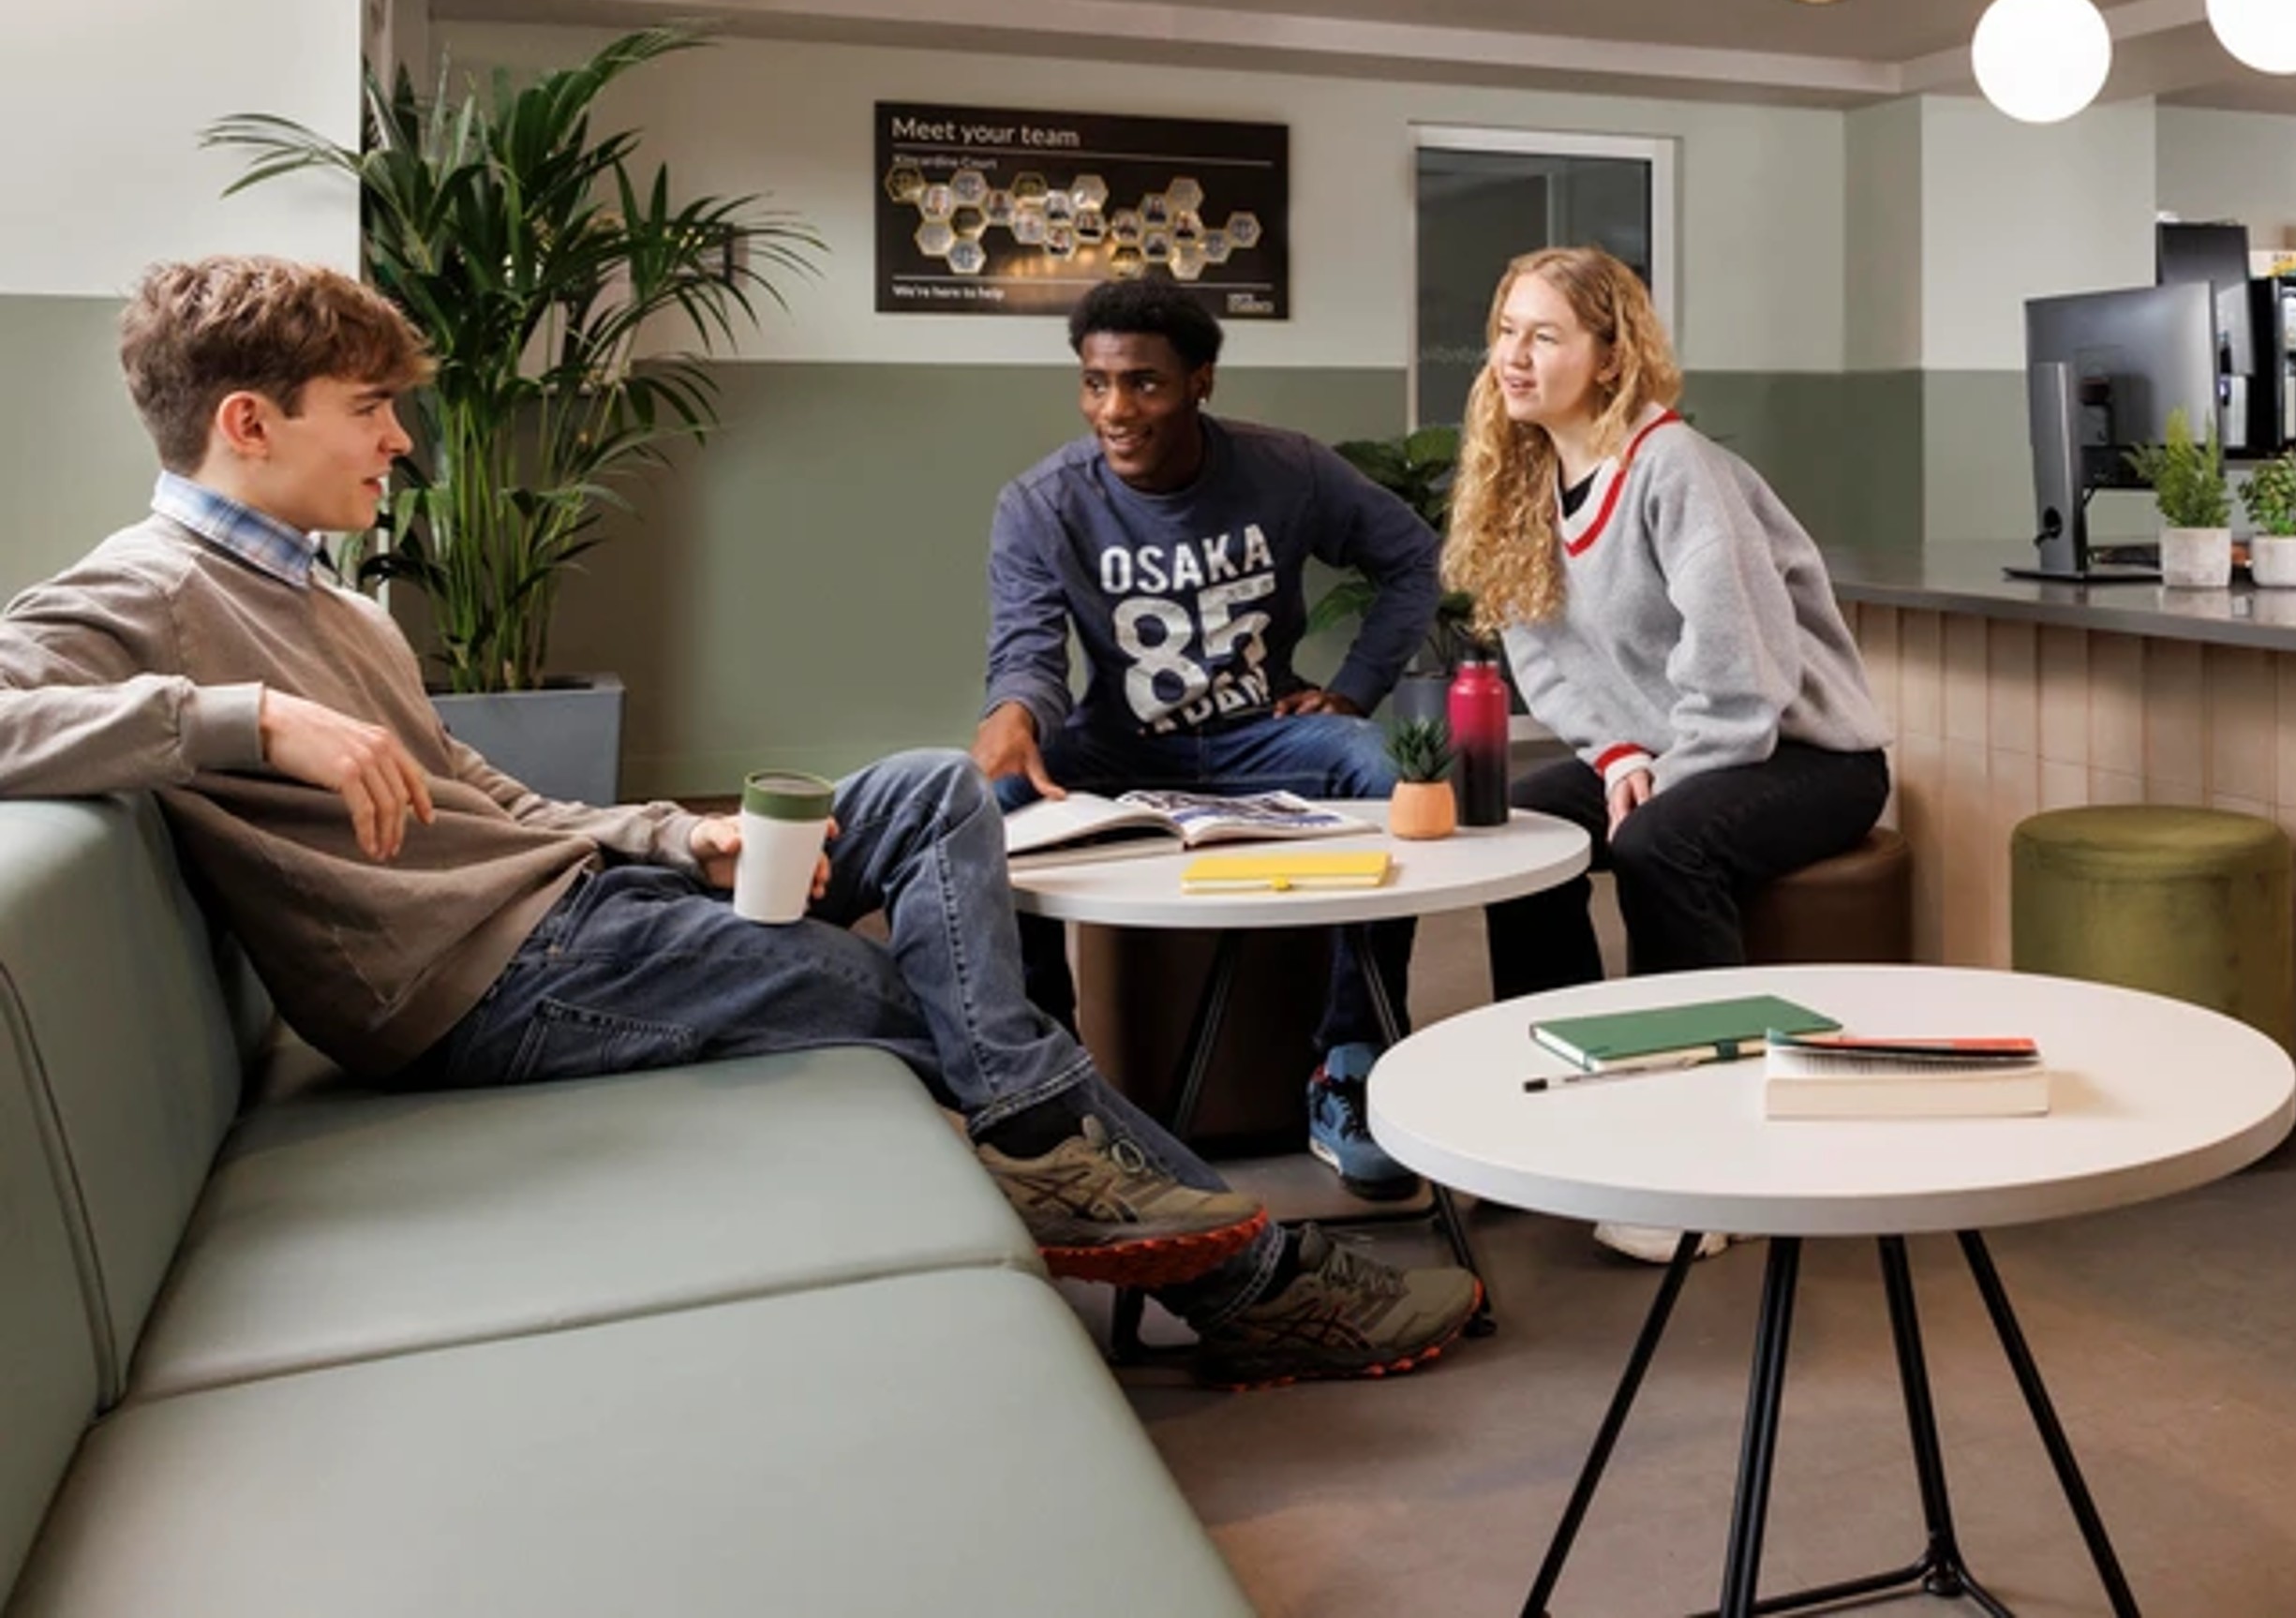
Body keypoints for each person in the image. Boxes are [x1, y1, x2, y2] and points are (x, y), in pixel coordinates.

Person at [0, 256, 1475, 1388]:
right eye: (370, 410)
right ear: (248, 422)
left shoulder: (326, 597)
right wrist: (243, 719)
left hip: (585, 909)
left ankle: (1051, 1129)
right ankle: (1257, 1281)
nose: (400, 442)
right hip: (490, 982)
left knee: (921, 785)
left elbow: (496, 800)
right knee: (910, 1005)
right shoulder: (149, 590)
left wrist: (673, 834)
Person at [1439, 246, 1892, 1262]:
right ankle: (1561, 1104)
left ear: (1609, 355)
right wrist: (1615, 759)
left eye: (1545, 334)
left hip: (1803, 752)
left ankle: (1697, 1161)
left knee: (1661, 848)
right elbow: (1552, 671)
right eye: (1506, 330)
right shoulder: (1526, 481)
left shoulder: (1675, 466)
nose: (1514, 356)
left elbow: (1746, 673)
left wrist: (1663, 777)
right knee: (1520, 830)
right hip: (1673, 749)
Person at [974, 278, 1444, 1203]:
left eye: (1143, 383)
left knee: (1386, 775)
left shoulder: (1288, 469)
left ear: (1201, 381)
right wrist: (1016, 709)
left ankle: (1349, 1060)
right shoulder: (1042, 503)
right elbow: (1028, 649)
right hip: (1116, 745)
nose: (1115, 408)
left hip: (1263, 737)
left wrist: (1351, 690)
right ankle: (1052, 1082)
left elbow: (1413, 558)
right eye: (1096, 382)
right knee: (990, 802)